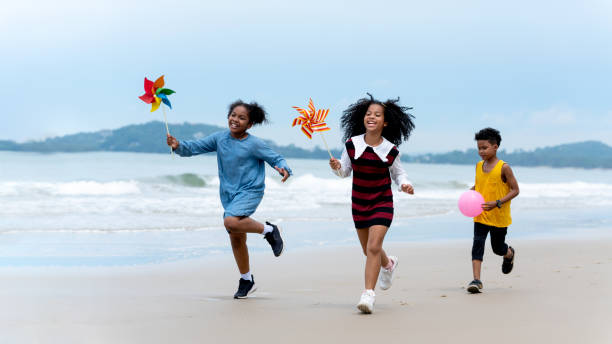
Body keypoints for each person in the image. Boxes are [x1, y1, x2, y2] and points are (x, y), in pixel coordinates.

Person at [166, 100, 292, 299]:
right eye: (233, 115)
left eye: (242, 118)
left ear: (249, 124)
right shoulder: (220, 138)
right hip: (228, 194)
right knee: (235, 234)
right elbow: (194, 147)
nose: (235, 120)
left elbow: (275, 158)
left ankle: (270, 230)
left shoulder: (254, 144)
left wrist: (283, 168)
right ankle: (246, 279)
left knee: (230, 221)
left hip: (250, 191)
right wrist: (178, 145)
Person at [329, 93, 415, 314]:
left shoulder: (390, 150)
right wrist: (337, 166)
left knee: (373, 247)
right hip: (359, 203)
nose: (372, 117)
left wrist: (405, 184)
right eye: (368, 114)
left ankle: (368, 294)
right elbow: (345, 173)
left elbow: (399, 174)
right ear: (363, 118)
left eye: (377, 115)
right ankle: (389, 264)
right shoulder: (351, 144)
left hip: (382, 202)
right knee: (369, 251)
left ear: (385, 122)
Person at [467, 127, 519, 294]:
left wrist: (497, 202)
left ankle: (509, 253)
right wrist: (473, 191)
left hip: (498, 215)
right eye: (479, 148)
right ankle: (476, 280)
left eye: (484, 148)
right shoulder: (478, 166)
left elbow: (515, 190)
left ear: (495, 147)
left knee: (497, 248)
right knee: (477, 244)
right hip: (481, 213)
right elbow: (482, 184)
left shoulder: (504, 168)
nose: (481, 151)